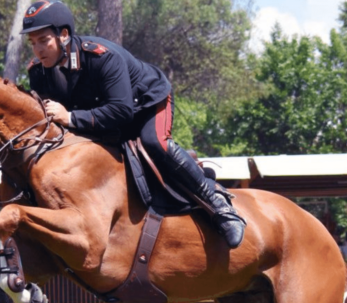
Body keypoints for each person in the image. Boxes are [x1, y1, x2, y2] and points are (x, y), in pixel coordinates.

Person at [21, 1, 246, 248]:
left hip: (146, 103)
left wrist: (71, 118)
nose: (38, 50)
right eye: (33, 43)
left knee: (154, 143)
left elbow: (121, 111)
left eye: (44, 40)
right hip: (104, 117)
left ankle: (219, 205)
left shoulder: (101, 57)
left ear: (63, 35)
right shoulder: (38, 72)